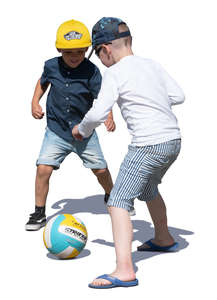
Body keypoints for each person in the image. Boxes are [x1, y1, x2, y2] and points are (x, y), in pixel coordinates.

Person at [72, 17, 185, 289]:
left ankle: (124, 270)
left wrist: (82, 130)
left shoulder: (115, 73)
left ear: (106, 49)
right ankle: (163, 238)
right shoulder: (152, 65)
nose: (99, 60)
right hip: (173, 141)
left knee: (118, 201)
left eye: (97, 53)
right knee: (148, 188)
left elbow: (98, 112)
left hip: (147, 144)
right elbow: (179, 96)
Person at [25, 19, 115, 231]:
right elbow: (42, 81)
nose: (74, 57)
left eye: (79, 52)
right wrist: (34, 101)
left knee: (101, 170)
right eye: (68, 53)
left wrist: (109, 115)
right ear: (59, 50)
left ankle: (113, 196)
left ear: (86, 50)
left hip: (84, 132)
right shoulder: (51, 66)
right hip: (56, 131)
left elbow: (102, 97)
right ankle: (38, 213)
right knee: (43, 169)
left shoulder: (92, 71)